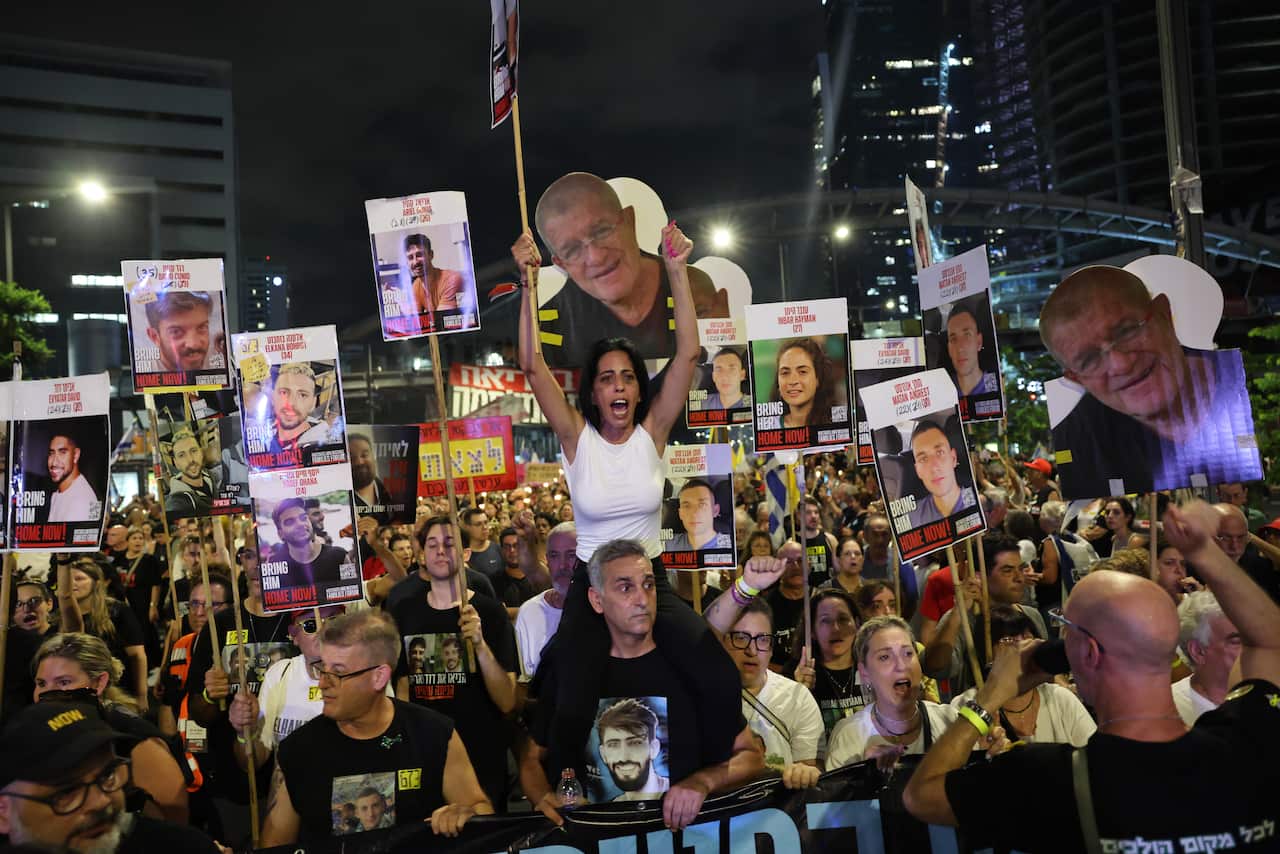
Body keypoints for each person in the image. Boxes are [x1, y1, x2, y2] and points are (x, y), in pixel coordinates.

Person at [903, 499, 1280, 852]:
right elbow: (1270, 643)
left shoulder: (1047, 777)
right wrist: (1205, 552)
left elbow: (921, 795)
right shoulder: (1250, 738)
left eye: (1066, 628)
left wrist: (987, 699)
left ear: (1087, 653)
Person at [512, 221, 742, 782]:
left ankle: (718, 765)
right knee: (566, 688)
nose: (618, 387)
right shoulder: (575, 439)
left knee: (707, 658)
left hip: (648, 578)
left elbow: (688, 352)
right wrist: (528, 283)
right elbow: (531, 367)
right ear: (593, 392)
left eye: (627, 378)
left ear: (640, 390)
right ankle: (566, 790)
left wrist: (676, 270)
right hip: (592, 587)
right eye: (606, 379)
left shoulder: (652, 434)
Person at [523, 539, 762, 828]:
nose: (642, 598)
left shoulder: (690, 667)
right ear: (596, 600)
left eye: (648, 584)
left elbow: (751, 757)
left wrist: (703, 781)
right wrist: (543, 796)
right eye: (625, 587)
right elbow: (531, 759)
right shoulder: (572, 671)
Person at [260, 611, 493, 844]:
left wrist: (467, 815)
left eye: (338, 672)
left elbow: (480, 808)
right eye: (323, 668)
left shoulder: (434, 734)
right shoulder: (298, 750)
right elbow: (273, 846)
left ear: (379, 677)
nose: (323, 683)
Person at [1041, 265, 1262, 495]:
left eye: (1126, 331)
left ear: (1164, 314)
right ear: (1077, 379)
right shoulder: (1082, 442)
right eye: (1089, 359)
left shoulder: (1247, 392)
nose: (1121, 364)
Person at [525, 171, 726, 369]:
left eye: (602, 231)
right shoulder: (552, 322)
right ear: (561, 264)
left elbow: (720, 359)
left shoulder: (693, 287)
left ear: (629, 221)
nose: (596, 257)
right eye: (572, 250)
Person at [390, 515, 517, 810]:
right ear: (422, 555)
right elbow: (404, 688)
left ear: (466, 554)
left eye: (449, 544)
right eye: (432, 544)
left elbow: (509, 701)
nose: (440, 551)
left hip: (481, 758)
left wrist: (480, 646)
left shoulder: (490, 613)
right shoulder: (405, 612)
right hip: (428, 756)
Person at [0, 701, 224, 853]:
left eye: (107, 775)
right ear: (4, 813)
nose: (101, 802)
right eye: (67, 792)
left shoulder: (181, 848)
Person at [33, 633, 190, 824]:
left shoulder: (135, 739)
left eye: (64, 682)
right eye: (41, 683)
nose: (47, 693)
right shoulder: (52, 730)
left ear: (99, 683)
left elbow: (175, 821)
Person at [947, 606, 1095, 747]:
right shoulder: (967, 705)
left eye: (1028, 637)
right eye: (1008, 640)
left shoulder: (1061, 699)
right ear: (986, 653)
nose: (1021, 648)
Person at [825, 616, 958, 770]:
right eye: (885, 657)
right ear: (864, 673)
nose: (901, 666)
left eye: (908, 653)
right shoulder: (848, 736)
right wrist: (866, 772)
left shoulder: (949, 721)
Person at [923, 535, 1047, 697]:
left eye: (1021, 569)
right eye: (1008, 571)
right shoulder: (961, 621)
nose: (1019, 578)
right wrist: (957, 614)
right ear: (979, 576)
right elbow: (935, 668)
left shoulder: (1031, 615)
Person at [724, 599, 822, 786]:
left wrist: (804, 773)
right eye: (741, 638)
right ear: (722, 640)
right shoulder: (702, 698)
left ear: (770, 649)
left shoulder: (798, 698)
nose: (752, 650)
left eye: (762, 639)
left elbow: (808, 767)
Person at [791, 589, 867, 754]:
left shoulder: (871, 666)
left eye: (843, 619)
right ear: (811, 631)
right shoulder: (796, 672)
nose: (836, 628)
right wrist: (799, 692)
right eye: (826, 621)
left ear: (857, 624)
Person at [66, 559, 148, 708]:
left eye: (79, 579)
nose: (73, 584)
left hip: (117, 688)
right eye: (69, 579)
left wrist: (142, 695)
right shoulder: (60, 616)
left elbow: (137, 656)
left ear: (97, 583)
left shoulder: (117, 611)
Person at [514, 521, 576, 680]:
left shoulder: (605, 610)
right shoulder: (529, 611)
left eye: (571, 555)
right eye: (554, 556)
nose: (562, 565)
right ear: (547, 559)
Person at [1172, 591, 1242, 725]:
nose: (1251, 649)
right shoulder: (1169, 710)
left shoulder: (1265, 695)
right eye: (1236, 641)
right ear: (1198, 651)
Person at [264, 498, 353, 593]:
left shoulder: (340, 556)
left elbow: (354, 596)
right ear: (280, 534)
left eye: (303, 518)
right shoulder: (274, 565)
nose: (300, 524)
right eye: (290, 522)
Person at [907, 420, 976, 528]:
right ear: (918, 470)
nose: (934, 467)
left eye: (940, 453)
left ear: (953, 458)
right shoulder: (911, 518)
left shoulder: (976, 505)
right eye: (923, 459)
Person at [769, 338, 840, 429]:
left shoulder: (837, 425)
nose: (792, 381)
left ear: (818, 378)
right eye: (785, 373)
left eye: (802, 372)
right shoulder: (768, 427)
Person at [143, 289, 217, 373]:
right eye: (176, 332)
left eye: (202, 327)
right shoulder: (146, 373)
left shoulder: (221, 359)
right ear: (154, 337)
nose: (193, 344)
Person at [265, 363, 331, 454]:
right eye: (284, 392)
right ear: (273, 397)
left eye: (302, 395)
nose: (291, 403)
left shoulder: (324, 445)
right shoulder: (263, 433)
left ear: (313, 403)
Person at [944, 302, 998, 399]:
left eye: (967, 335)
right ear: (949, 349)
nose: (960, 348)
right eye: (953, 339)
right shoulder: (943, 389)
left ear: (979, 342)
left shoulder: (993, 385)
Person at [46, 432, 101, 522]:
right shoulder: (59, 493)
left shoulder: (83, 500)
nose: (54, 463)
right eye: (51, 453)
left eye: (62, 452)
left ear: (75, 455)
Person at [405, 233, 462, 318]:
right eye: (410, 258)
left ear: (431, 254)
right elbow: (415, 322)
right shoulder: (416, 285)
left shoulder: (451, 279)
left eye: (419, 255)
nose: (415, 262)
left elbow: (442, 321)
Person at [665, 479, 726, 552]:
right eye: (687, 506)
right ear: (680, 513)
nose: (694, 513)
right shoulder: (666, 545)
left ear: (715, 511)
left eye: (702, 505)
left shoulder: (729, 546)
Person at [165, 429, 215, 517]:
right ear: (176, 463)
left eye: (193, 451)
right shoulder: (177, 502)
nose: (190, 460)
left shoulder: (212, 477)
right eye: (182, 455)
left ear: (201, 453)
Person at [491, 527, 535, 620]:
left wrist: (509, 611)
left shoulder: (538, 578)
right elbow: (496, 613)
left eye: (516, 545)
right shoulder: (493, 581)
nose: (512, 550)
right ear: (501, 550)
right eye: (507, 546)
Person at [348, 433, 392, 524]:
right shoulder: (345, 506)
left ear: (374, 457)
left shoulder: (394, 493)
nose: (359, 462)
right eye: (351, 458)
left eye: (364, 455)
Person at [1153, 540, 1201, 605]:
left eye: (1183, 564)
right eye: (1169, 563)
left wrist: (1198, 596)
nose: (1179, 570)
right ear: (1153, 566)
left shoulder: (1187, 603)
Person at [701, 347, 749, 411]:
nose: (725, 377)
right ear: (713, 376)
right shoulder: (703, 404)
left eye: (732, 369)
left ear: (742, 375)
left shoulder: (752, 405)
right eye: (719, 369)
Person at [463, 507, 503, 578]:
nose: (484, 527)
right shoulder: (464, 555)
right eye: (478, 524)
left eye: (486, 522)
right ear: (467, 527)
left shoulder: (497, 548)